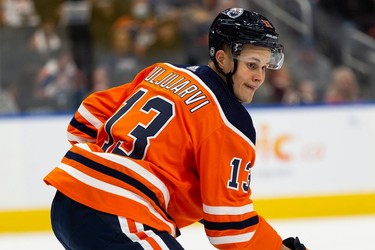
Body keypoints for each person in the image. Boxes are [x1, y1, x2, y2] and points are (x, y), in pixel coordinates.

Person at [44, 8, 307, 250]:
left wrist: (112, 165)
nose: (259, 77)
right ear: (222, 58)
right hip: (120, 216)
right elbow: (229, 230)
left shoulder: (162, 73)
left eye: (263, 67)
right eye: (251, 65)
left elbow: (85, 117)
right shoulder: (229, 120)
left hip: (66, 203)